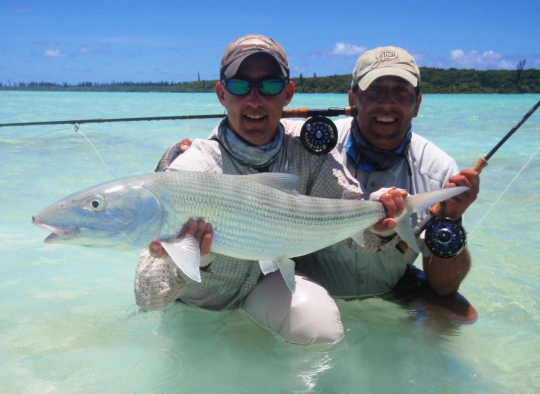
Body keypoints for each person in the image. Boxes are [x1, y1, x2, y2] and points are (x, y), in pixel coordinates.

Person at [134, 34, 372, 345]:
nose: (255, 100)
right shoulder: (189, 170)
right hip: (200, 307)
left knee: (318, 326)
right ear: (222, 94)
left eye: (270, 86)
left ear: (287, 93)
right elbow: (146, 296)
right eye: (240, 86)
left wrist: (383, 216)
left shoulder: (308, 153)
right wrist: (193, 258)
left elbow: (357, 223)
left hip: (262, 294)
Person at [294, 46, 480, 313]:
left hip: (392, 291)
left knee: (462, 314)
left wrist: (452, 219)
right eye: (375, 90)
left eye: (400, 91)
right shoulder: (312, 151)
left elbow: (444, 288)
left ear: (417, 104)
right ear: (353, 99)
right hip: (311, 293)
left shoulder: (438, 169)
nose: (386, 103)